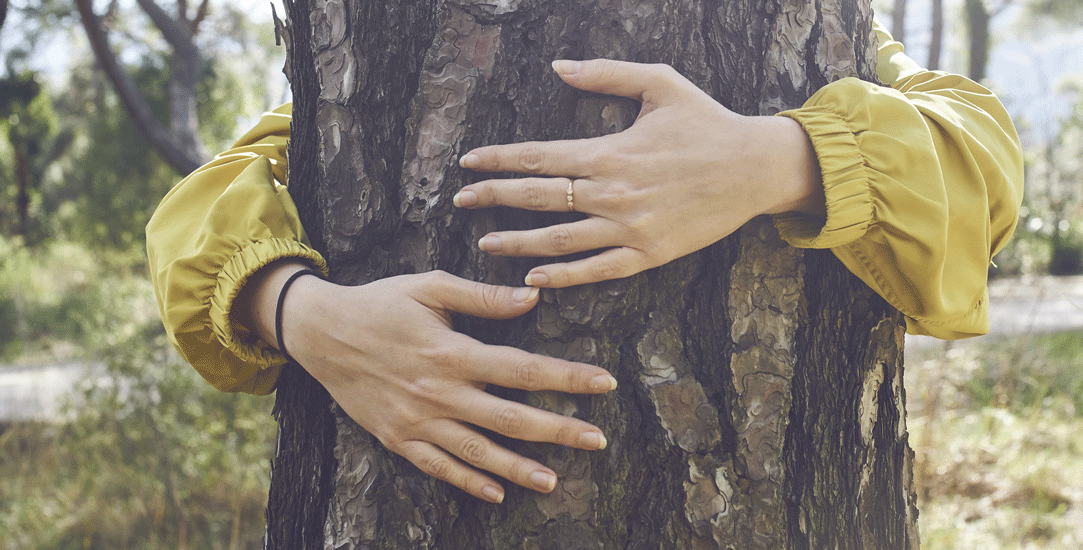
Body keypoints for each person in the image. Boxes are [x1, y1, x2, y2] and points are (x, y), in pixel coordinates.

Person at [146, 21, 1023, 505]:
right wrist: (300, 312)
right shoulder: (392, 39)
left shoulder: (821, 28)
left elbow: (980, 159)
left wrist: (779, 159)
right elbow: (218, 189)